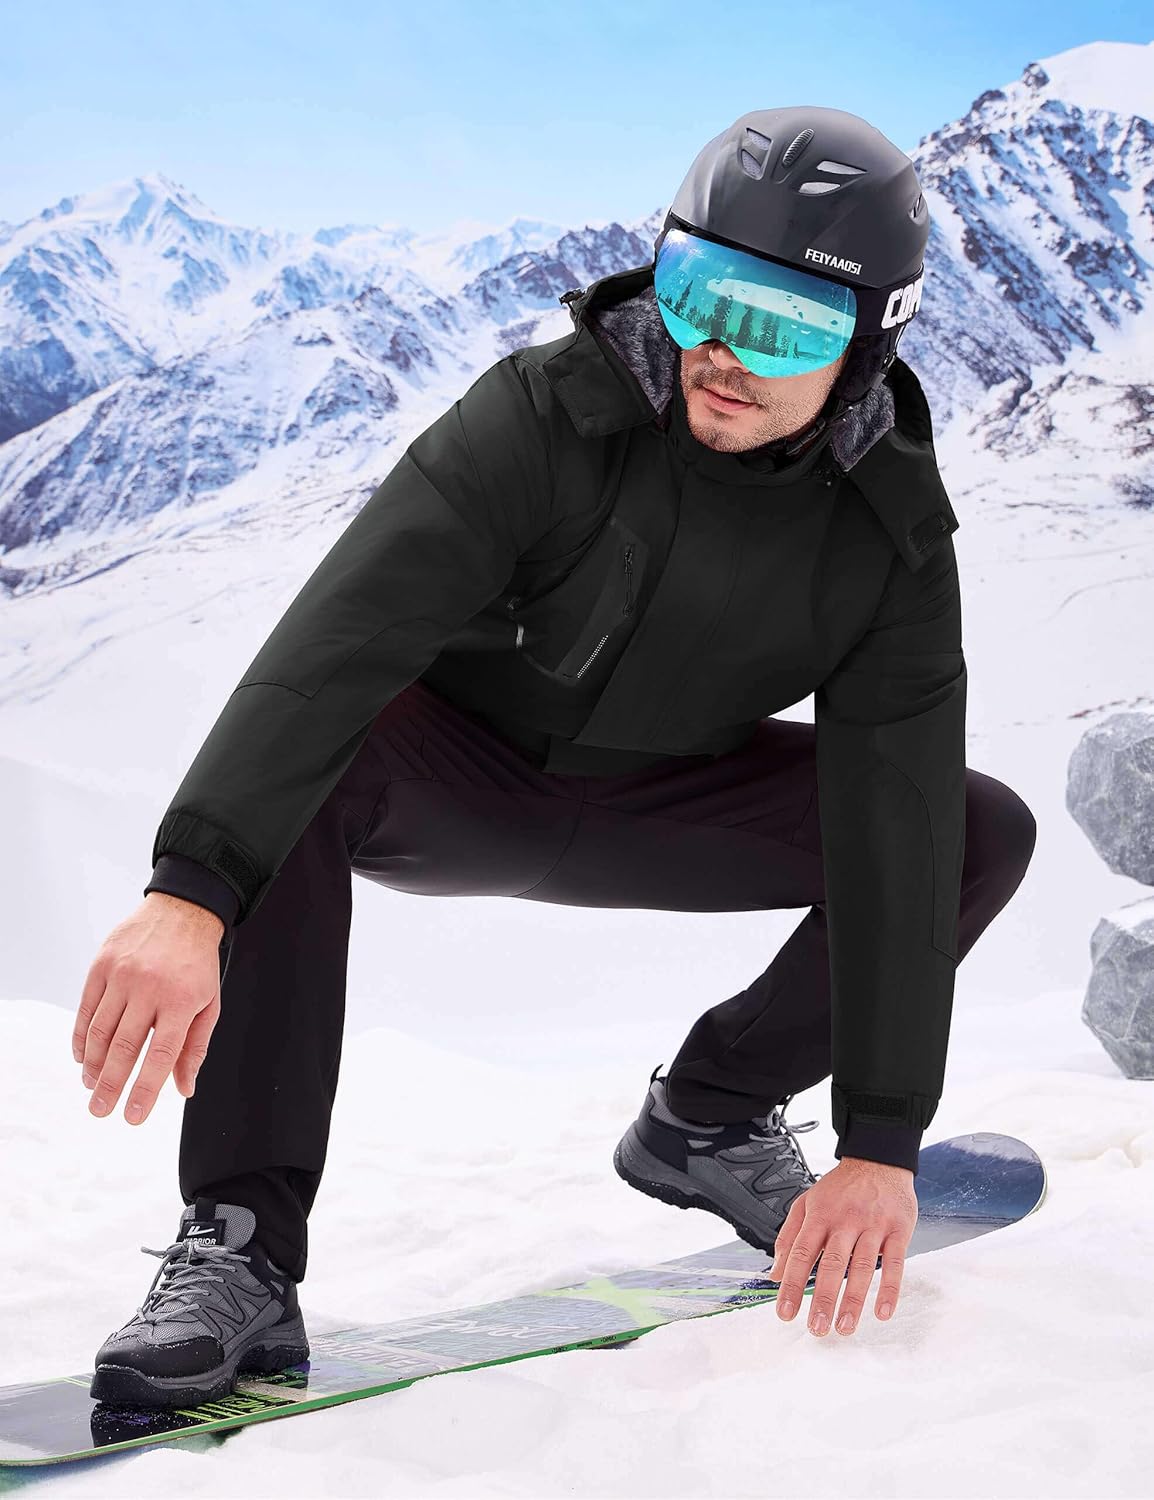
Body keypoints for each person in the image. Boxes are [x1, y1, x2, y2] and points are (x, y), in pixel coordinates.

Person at [74, 105, 1036, 1409]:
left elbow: (896, 815)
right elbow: (337, 646)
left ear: (870, 339)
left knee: (971, 830)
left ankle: (708, 1116)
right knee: (315, 761)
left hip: (669, 802)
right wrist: (191, 888)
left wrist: (881, 1139)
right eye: (699, 292)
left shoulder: (889, 527)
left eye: (785, 326)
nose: (720, 353)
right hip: (450, 776)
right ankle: (240, 1251)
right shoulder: (543, 415)